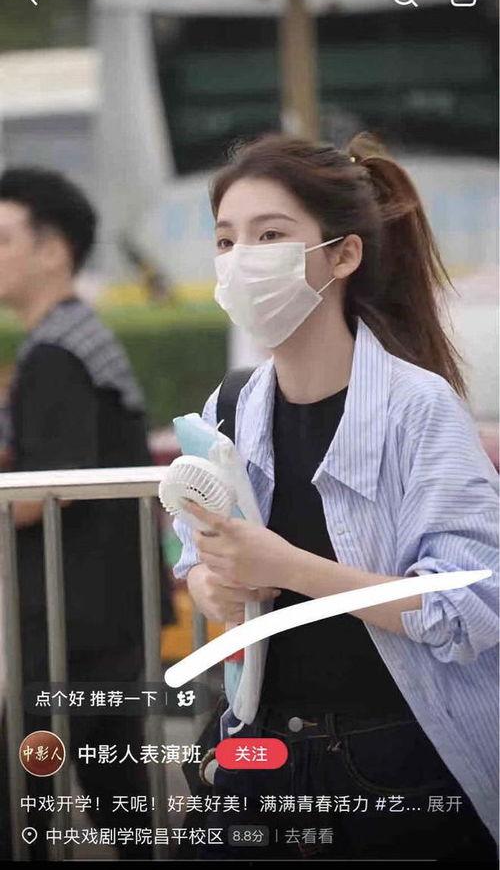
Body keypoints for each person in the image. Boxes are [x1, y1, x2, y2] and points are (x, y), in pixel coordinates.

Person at [171, 132, 499, 862]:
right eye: (225, 240)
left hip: (396, 763)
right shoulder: (230, 406)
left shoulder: (419, 408)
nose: (241, 259)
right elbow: (193, 555)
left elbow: (470, 604)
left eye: (270, 235)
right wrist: (213, 585)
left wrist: (288, 566)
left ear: (343, 255)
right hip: (257, 750)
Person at [0, 167, 175, 860]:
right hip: (101, 611)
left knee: (26, 800)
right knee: (112, 788)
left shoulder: (57, 353)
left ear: (54, 250)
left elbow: (49, 489)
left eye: (4, 238)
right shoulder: (76, 337)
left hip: (68, 620)